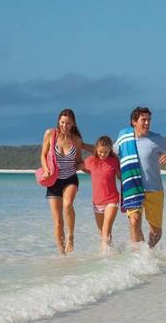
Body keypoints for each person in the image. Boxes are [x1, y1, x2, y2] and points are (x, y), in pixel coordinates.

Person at [115, 106, 166, 247]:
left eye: (149, 120)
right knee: (134, 221)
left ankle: (148, 251)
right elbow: (110, 154)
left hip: (154, 189)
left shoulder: (156, 139)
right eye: (143, 120)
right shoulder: (124, 137)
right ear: (134, 121)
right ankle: (138, 254)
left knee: (156, 233)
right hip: (133, 188)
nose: (147, 123)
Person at [39, 109, 88, 254]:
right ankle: (62, 254)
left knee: (67, 204)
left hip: (70, 178)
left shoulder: (76, 140)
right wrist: (46, 169)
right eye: (62, 122)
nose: (64, 126)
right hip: (53, 180)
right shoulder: (50, 134)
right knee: (58, 222)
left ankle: (70, 237)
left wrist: (92, 169)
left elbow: (78, 161)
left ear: (73, 124)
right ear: (58, 121)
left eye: (67, 123)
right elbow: (43, 155)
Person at [83, 136, 121, 252]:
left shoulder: (114, 161)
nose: (103, 154)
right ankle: (111, 253)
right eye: (100, 152)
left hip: (112, 200)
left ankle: (104, 256)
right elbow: (79, 166)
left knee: (106, 228)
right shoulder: (90, 161)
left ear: (110, 150)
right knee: (103, 232)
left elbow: (121, 177)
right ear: (96, 149)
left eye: (106, 152)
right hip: (97, 202)